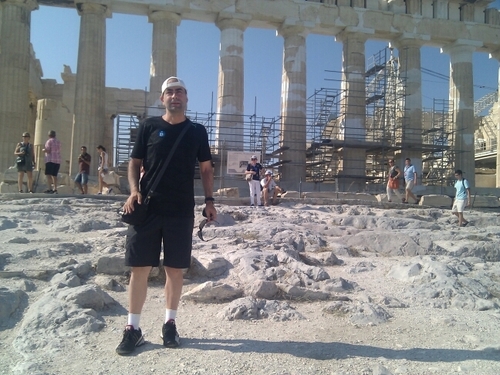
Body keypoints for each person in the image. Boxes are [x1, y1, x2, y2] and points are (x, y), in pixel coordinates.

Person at [116, 76, 217, 356]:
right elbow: (134, 163)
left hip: (181, 209)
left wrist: (210, 201)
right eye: (170, 92)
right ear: (162, 98)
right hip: (147, 206)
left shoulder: (197, 131)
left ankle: (169, 324)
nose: (175, 96)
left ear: (186, 98)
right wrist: (133, 190)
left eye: (180, 92)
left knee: (175, 269)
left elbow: (206, 169)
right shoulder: (149, 126)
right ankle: (132, 328)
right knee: (140, 268)